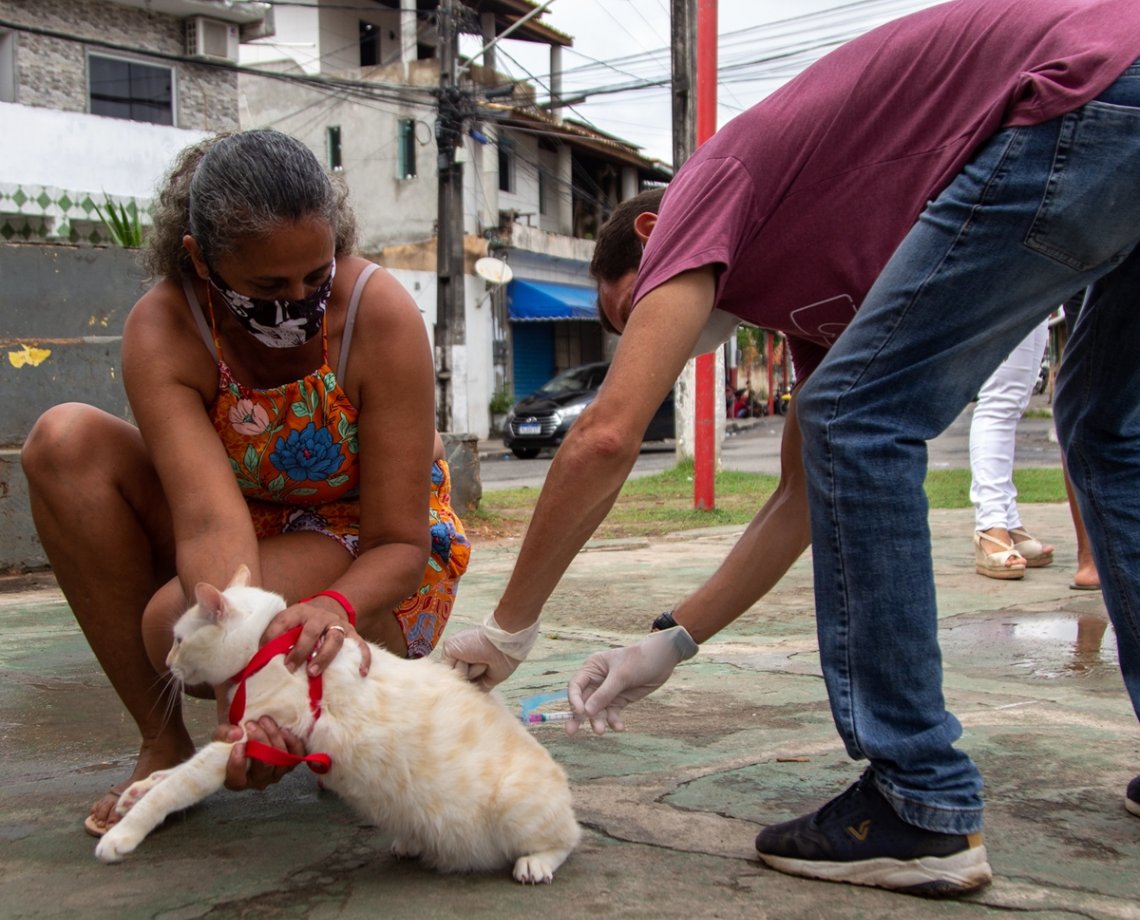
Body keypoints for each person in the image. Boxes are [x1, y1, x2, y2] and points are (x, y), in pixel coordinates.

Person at [442, 0, 1140, 898]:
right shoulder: (817, 275)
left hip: (1079, 96)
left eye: (631, 311)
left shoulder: (707, 184)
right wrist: (670, 644)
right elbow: (805, 496)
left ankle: (919, 804)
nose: (646, 342)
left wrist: (509, 629)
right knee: (1106, 429)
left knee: (861, 416)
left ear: (652, 243)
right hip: (1116, 93)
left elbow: (608, 433)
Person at [21, 129, 470, 837]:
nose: (297, 303)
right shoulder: (165, 329)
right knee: (64, 442)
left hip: (361, 546)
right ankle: (163, 744)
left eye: (314, 277)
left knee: (165, 626)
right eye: (266, 287)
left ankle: (337, 704)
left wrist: (324, 617)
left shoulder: (376, 317)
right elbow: (207, 524)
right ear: (201, 260)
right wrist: (243, 694)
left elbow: (397, 540)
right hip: (246, 526)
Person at [969, 319, 1055, 579]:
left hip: (1041, 280)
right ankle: (990, 526)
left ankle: (1007, 520)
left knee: (1015, 399)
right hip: (1003, 280)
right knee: (1000, 398)